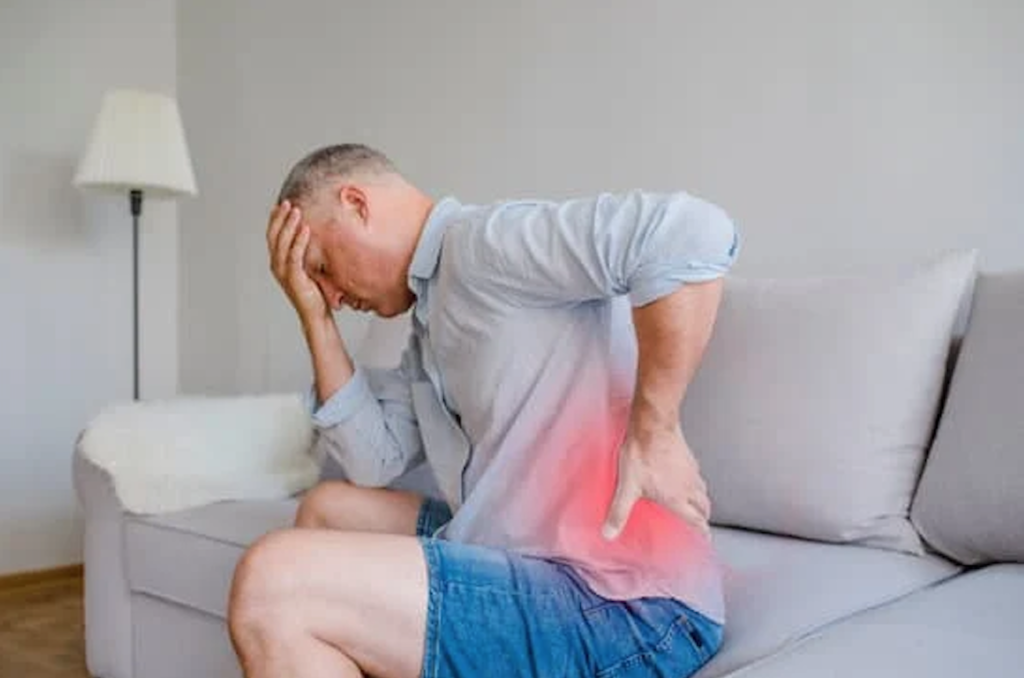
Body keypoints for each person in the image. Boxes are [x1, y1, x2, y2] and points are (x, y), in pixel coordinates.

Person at [227, 143, 740, 678]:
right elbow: (372, 461)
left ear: (357, 204)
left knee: (272, 582)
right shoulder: (427, 322)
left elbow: (692, 231)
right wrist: (315, 320)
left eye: (323, 269)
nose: (331, 295)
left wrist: (654, 430)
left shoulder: (485, 246)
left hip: (625, 605)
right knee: (329, 508)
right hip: (525, 555)